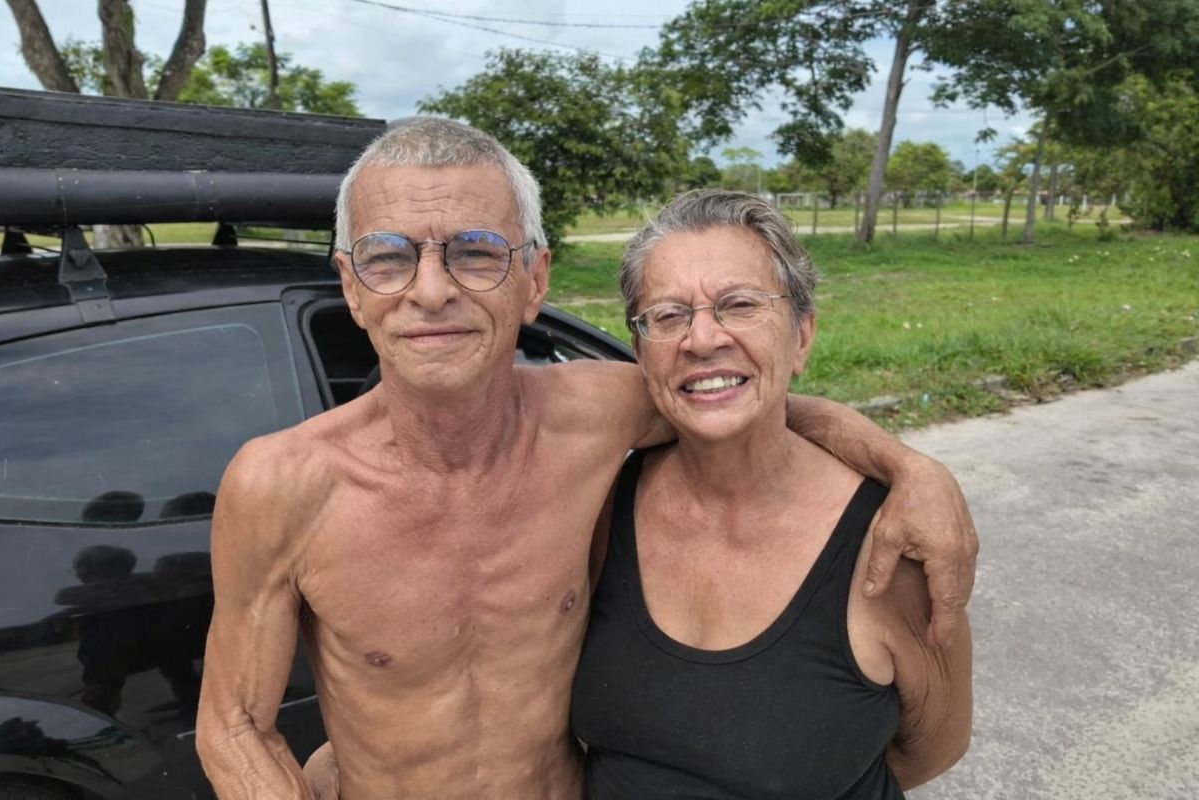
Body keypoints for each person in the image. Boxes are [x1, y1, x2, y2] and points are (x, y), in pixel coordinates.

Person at [195, 118, 977, 800]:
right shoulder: (282, 484)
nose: (430, 292)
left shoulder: (595, 417)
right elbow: (232, 726)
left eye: (475, 253)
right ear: (353, 287)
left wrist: (912, 471)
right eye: (389, 258)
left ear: (535, 280)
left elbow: (728, 393)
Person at [571, 190, 973, 799]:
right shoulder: (604, 504)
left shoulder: (890, 545)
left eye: (739, 305)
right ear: (640, 350)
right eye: (668, 315)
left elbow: (936, 744)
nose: (702, 339)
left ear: (802, 336)